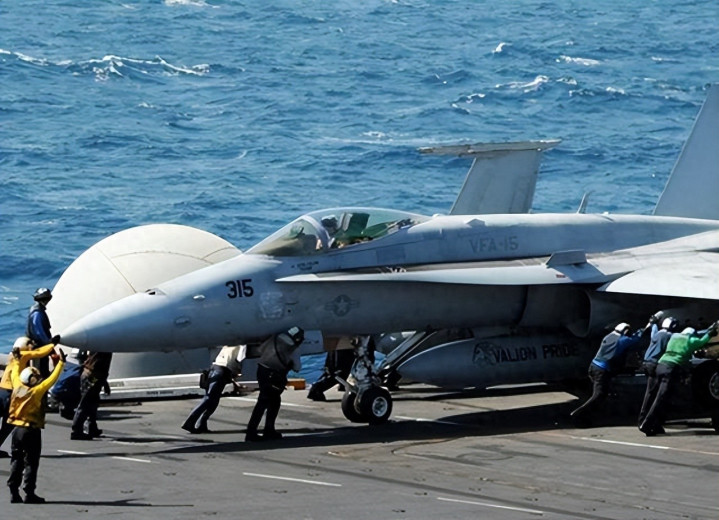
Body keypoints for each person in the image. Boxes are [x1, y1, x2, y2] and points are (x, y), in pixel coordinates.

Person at [6, 348, 65, 504]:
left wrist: (17, 359)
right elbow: (51, 379)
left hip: (17, 430)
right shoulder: (36, 392)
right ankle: (29, 492)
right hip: (31, 430)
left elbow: (15, 371)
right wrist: (61, 363)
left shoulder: (17, 385)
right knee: (31, 462)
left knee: (16, 460)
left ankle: (13, 491)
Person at [639, 322, 718, 436]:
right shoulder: (691, 340)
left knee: (654, 395)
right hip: (670, 369)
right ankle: (647, 424)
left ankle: (651, 423)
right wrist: (710, 332)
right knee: (661, 398)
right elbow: (702, 341)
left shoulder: (674, 337)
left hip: (660, 366)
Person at [570, 321, 648, 426]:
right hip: (601, 370)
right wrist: (645, 328)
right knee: (598, 395)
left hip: (593, 367)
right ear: (625, 332)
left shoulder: (609, 336)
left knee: (602, 394)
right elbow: (636, 339)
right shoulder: (621, 340)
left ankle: (588, 416)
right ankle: (579, 414)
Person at [0, 337, 57, 459]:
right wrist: (52, 344)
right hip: (11, 394)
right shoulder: (23, 355)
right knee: (8, 424)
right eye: (30, 343)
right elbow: (39, 353)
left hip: (2, 391)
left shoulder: (13, 356)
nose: (32, 345)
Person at [245, 327, 304, 442]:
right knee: (271, 402)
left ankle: (261, 430)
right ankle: (257, 431)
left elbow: (260, 350)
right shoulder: (293, 348)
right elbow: (297, 367)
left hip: (262, 370)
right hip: (275, 375)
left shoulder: (275, 338)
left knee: (266, 401)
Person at [181, 344, 246, 434]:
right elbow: (240, 358)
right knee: (210, 398)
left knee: (212, 399)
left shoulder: (229, 343)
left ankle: (201, 424)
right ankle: (190, 422)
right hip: (223, 370)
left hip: (214, 368)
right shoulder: (242, 345)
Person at [637, 315, 677, 431]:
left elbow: (653, 330)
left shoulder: (657, 333)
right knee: (658, 396)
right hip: (655, 364)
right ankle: (648, 422)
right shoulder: (669, 336)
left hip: (646, 363)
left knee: (650, 393)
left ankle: (645, 420)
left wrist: (653, 323)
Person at [70, 350, 113, 440]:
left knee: (92, 402)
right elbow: (100, 366)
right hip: (93, 376)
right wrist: (104, 382)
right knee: (86, 402)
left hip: (92, 375)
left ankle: (91, 427)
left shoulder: (101, 346)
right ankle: (77, 430)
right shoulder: (105, 347)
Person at [26, 288, 58, 378]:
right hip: (39, 347)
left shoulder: (36, 310)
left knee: (43, 365)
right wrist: (50, 342)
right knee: (40, 369)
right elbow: (39, 332)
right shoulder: (38, 314)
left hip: (40, 345)